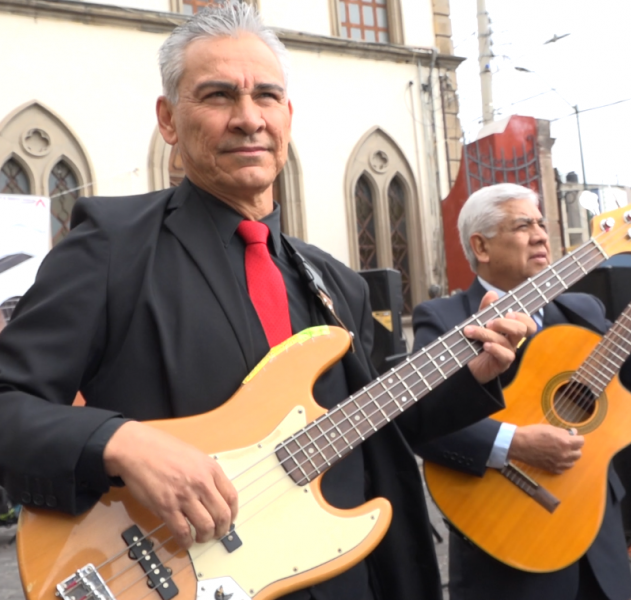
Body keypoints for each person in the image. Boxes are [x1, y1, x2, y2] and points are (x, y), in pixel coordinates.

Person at [0, 4, 528, 600]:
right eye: (218, 96)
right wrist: (120, 443)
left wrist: (469, 374)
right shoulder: (111, 247)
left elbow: (379, 421)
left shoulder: (334, 282)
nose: (248, 119)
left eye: (266, 97)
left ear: (287, 116)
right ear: (169, 120)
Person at [413, 183, 631, 600]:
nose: (542, 234)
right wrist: (513, 443)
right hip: (506, 531)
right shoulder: (444, 318)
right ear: (482, 246)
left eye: (543, 223)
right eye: (523, 224)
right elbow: (420, 420)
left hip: (596, 529)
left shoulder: (581, 309)